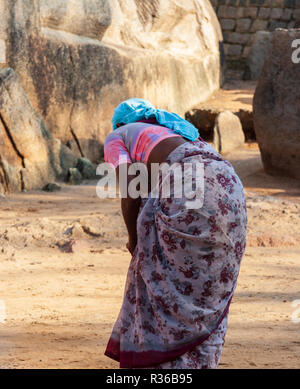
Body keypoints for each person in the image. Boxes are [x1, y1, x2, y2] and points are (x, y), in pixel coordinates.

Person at [103, 98, 247, 369]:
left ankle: (163, 364)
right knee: (206, 285)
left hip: (187, 187)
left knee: (154, 275)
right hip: (229, 186)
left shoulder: (117, 136)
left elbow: (131, 189)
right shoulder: (177, 131)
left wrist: (134, 241)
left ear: (120, 122)